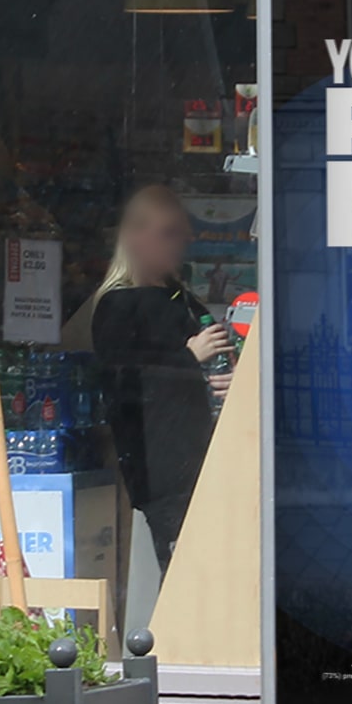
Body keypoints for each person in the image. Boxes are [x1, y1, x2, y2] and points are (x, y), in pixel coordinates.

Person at [91, 186, 233, 579]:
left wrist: (227, 381)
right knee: (187, 581)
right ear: (136, 237)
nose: (182, 244)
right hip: (166, 473)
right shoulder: (119, 306)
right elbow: (126, 386)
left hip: (202, 466)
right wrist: (190, 358)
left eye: (182, 233)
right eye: (169, 233)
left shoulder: (178, 298)